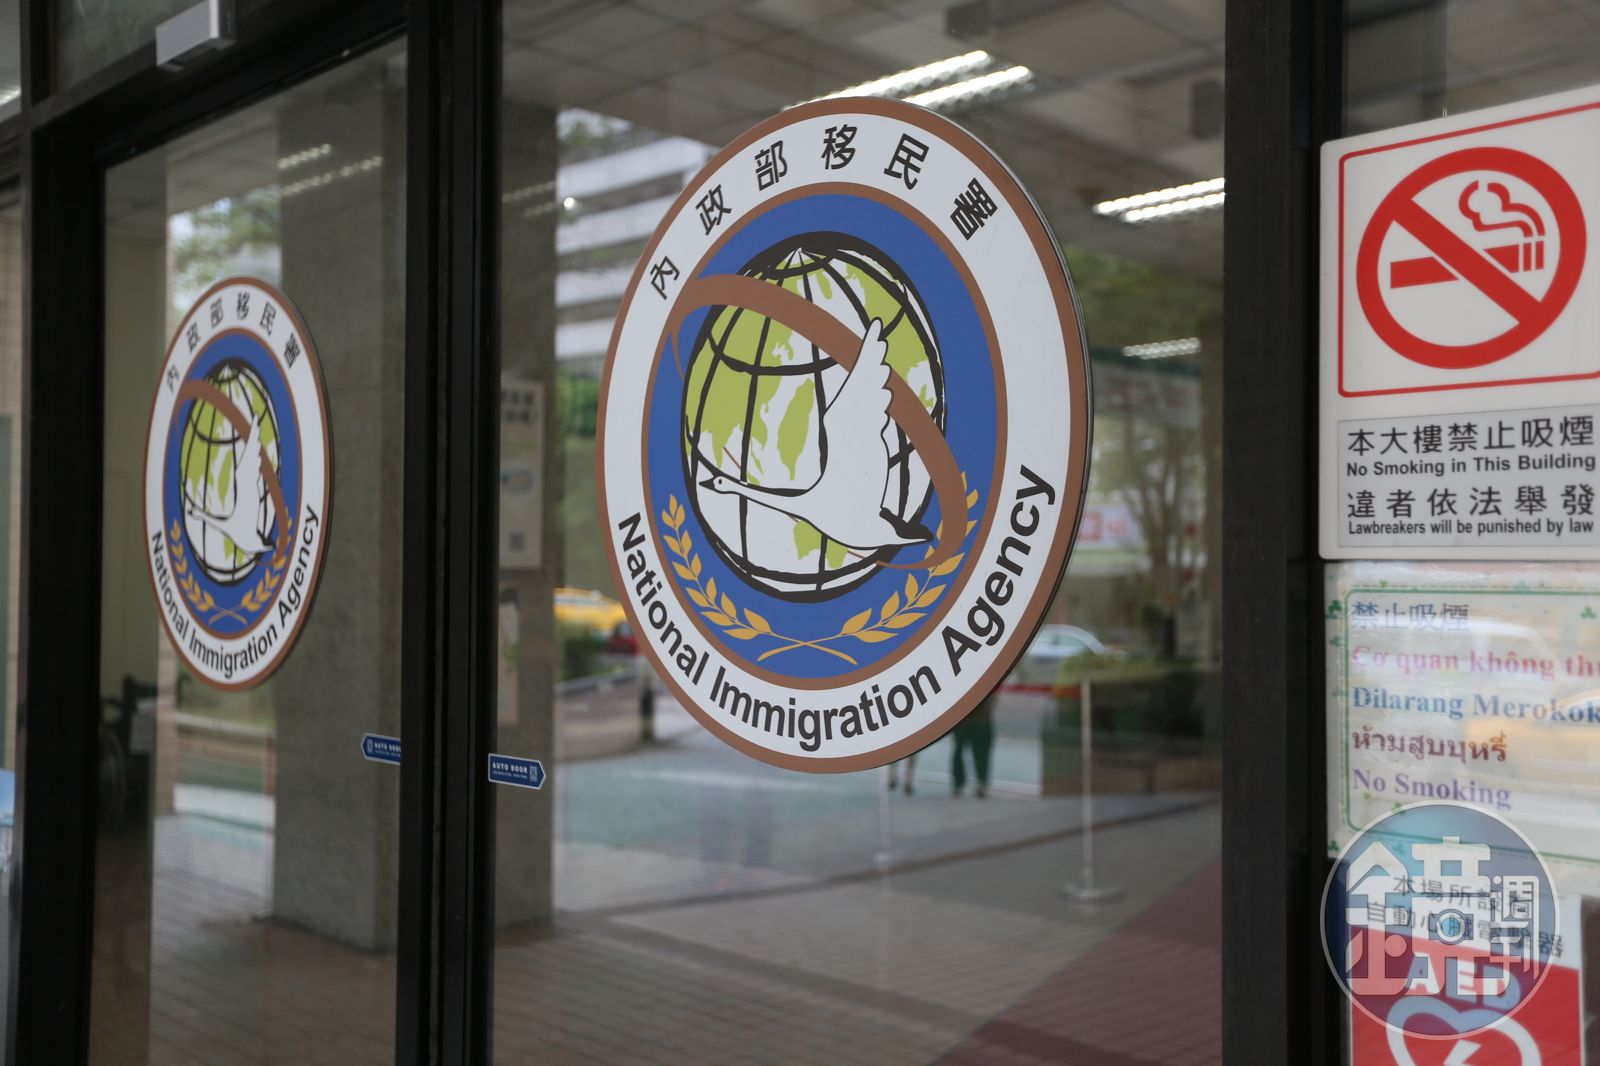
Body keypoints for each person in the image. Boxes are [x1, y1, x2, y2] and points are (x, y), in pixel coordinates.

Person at [951, 689, 996, 797]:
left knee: (964, 751)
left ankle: (963, 784)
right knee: (978, 753)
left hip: (968, 719)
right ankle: (977, 782)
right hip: (972, 719)